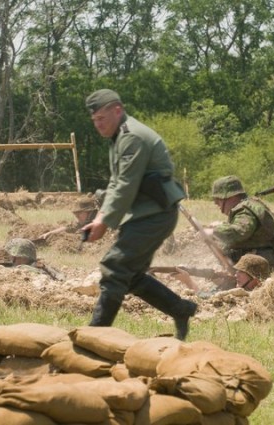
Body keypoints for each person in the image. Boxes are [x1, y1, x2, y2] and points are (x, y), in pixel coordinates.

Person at [81, 88, 197, 340]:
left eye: (101, 118)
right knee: (130, 275)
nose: (98, 125)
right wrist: (100, 216)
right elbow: (116, 182)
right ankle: (180, 309)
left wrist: (104, 222)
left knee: (115, 267)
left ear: (117, 110)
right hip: (146, 213)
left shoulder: (132, 137)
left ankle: (93, 337)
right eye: (94, 121)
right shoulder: (119, 138)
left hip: (156, 214)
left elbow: (126, 184)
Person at [207, 175, 274, 276]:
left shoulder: (244, 210)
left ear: (230, 197)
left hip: (272, 265)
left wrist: (214, 231)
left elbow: (240, 231)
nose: (217, 205)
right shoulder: (249, 206)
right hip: (273, 261)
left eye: (218, 200)